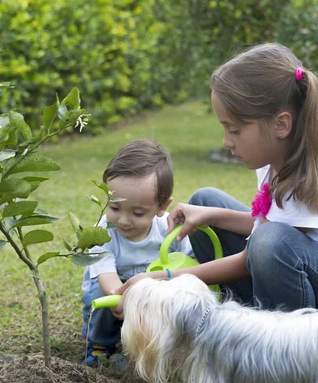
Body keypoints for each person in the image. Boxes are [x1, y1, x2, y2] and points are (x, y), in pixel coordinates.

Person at [114, 43, 318, 311]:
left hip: (304, 292)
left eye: (234, 130)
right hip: (292, 258)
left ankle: (287, 342)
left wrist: (159, 279)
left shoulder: (306, 175)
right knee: (205, 201)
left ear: (281, 125)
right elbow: (274, 226)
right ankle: (246, 314)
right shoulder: (273, 161)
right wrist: (211, 215)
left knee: (268, 243)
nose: (226, 142)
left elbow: (264, 247)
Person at [81, 139, 193, 366]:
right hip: (115, 291)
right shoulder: (103, 231)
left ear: (162, 207)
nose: (123, 220)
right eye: (114, 207)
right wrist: (123, 297)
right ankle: (101, 341)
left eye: (138, 213)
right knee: (99, 297)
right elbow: (106, 275)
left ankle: (156, 345)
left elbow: (188, 264)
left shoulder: (169, 230)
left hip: (151, 291)